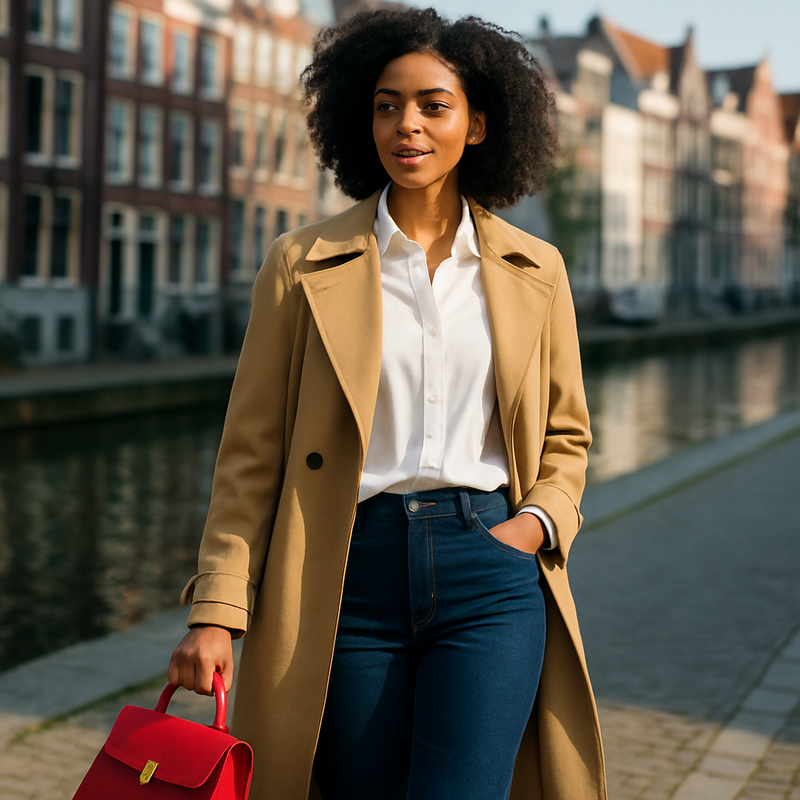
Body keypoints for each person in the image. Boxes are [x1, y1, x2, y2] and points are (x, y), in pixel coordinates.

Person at [169, 7, 606, 800]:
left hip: (489, 568)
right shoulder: (300, 263)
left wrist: (534, 526)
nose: (407, 124)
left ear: (478, 124)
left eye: (434, 105)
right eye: (386, 105)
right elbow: (251, 454)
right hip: (344, 574)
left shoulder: (535, 269)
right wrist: (217, 608)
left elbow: (567, 435)